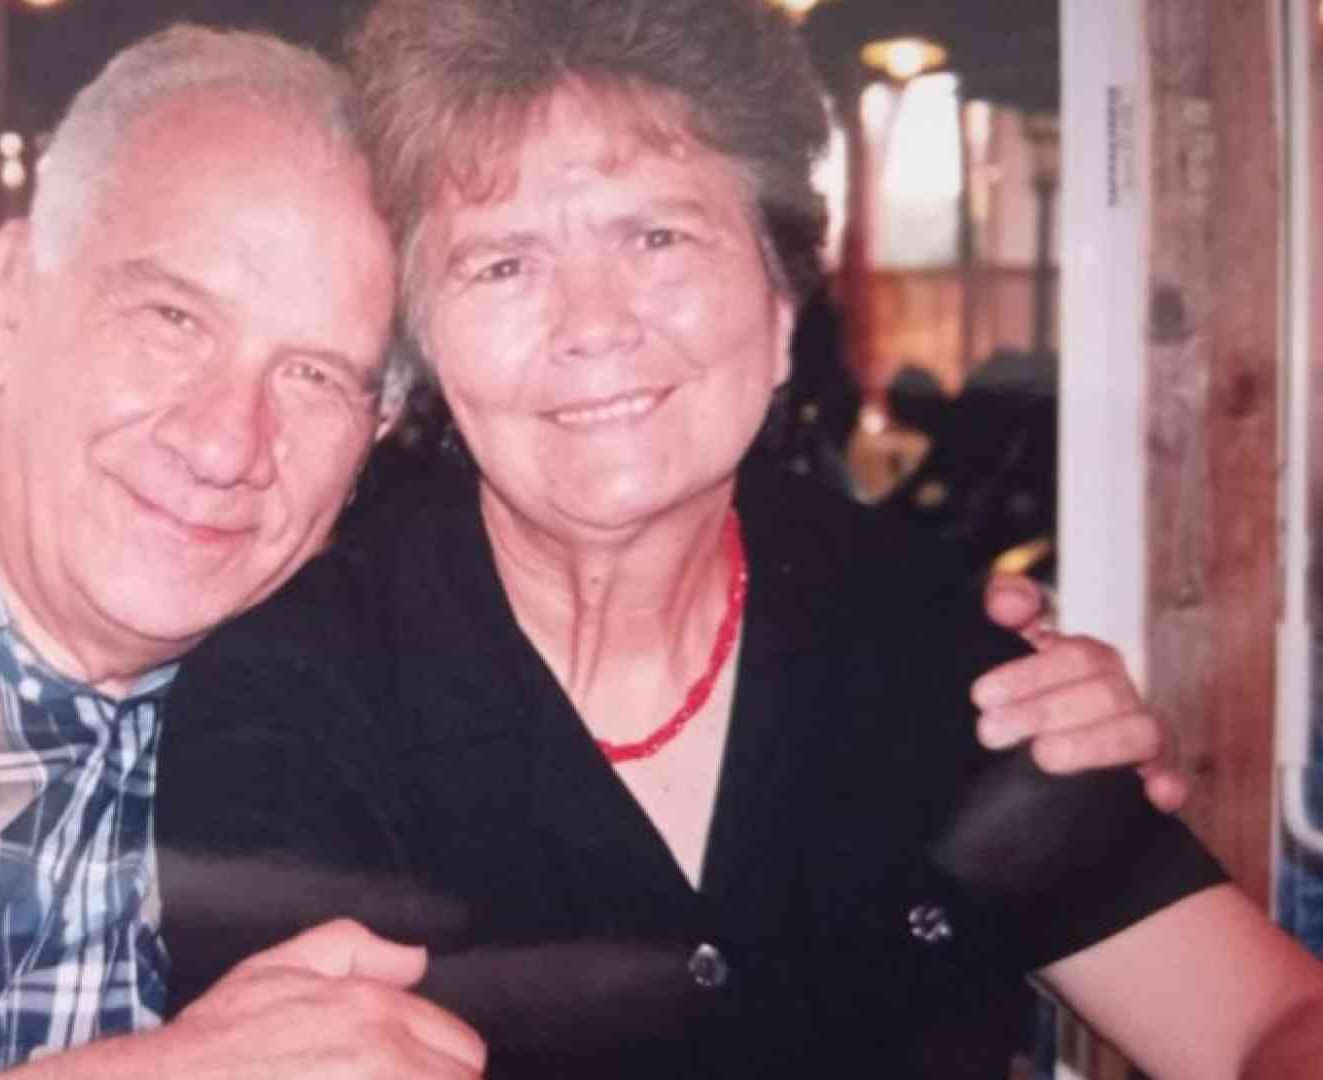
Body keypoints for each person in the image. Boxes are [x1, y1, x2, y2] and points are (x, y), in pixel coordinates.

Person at [0, 18, 1185, 1080]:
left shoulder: (263, 668)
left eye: (316, 374)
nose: (227, 438)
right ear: (11, 299)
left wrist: (1039, 710)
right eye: (170, 317)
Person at [155, 1, 1323, 1077]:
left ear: (779, 303)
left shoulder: (927, 644)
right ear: (429, 355)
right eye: (504, 263)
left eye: (657, 237)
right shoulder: (293, 699)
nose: (593, 325)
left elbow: (1262, 1022)